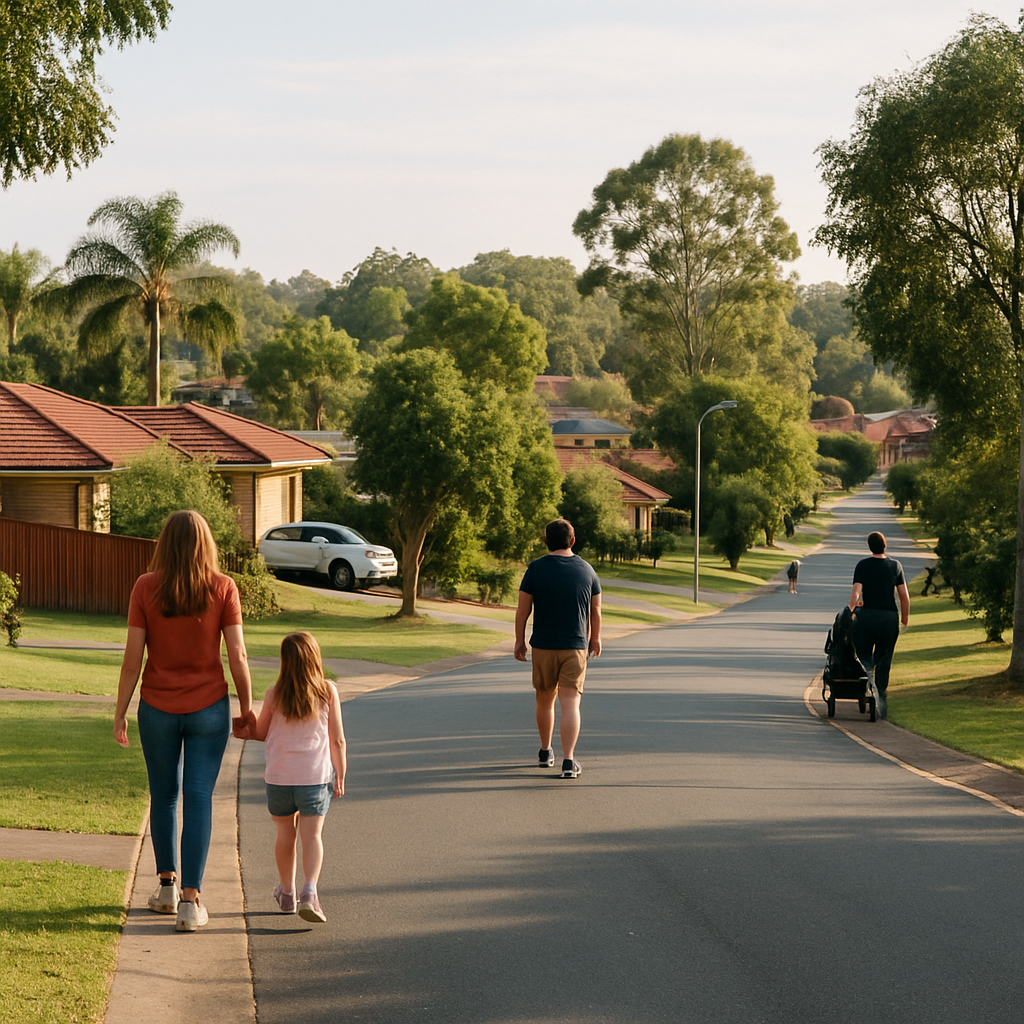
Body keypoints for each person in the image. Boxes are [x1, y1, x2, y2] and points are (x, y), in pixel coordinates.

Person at [114, 510, 256, 932]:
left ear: (164, 543)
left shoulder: (145, 587)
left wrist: (120, 711)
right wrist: (247, 709)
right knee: (197, 798)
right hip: (209, 709)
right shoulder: (223, 587)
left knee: (164, 796)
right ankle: (191, 904)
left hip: (156, 710)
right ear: (207, 544)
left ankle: (166, 888)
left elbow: (131, 661)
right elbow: (238, 655)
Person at [235, 631, 346, 923]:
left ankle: (287, 893)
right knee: (312, 836)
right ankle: (309, 892)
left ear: (285, 661)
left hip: (279, 778)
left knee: (286, 835)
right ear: (315, 658)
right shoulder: (327, 692)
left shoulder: (274, 693)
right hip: (314, 777)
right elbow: (337, 740)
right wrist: (340, 774)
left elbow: (260, 733)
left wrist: (244, 728)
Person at [514, 518, 601, 779]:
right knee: (571, 703)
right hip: (575, 646)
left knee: (544, 700)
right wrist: (595, 638)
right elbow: (594, 611)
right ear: (572, 541)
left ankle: (544, 751)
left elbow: (522, 610)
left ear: (546, 541)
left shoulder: (535, 569)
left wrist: (519, 640)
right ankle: (568, 760)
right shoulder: (587, 570)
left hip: (543, 646)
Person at [848, 531, 910, 720]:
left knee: (864, 655)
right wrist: (904, 619)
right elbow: (904, 596)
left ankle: (866, 683)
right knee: (884, 657)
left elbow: (857, 593)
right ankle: (881, 695)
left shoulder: (863, 566)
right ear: (885, 545)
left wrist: (850, 611)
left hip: (866, 617)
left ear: (870, 546)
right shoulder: (895, 566)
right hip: (888, 619)